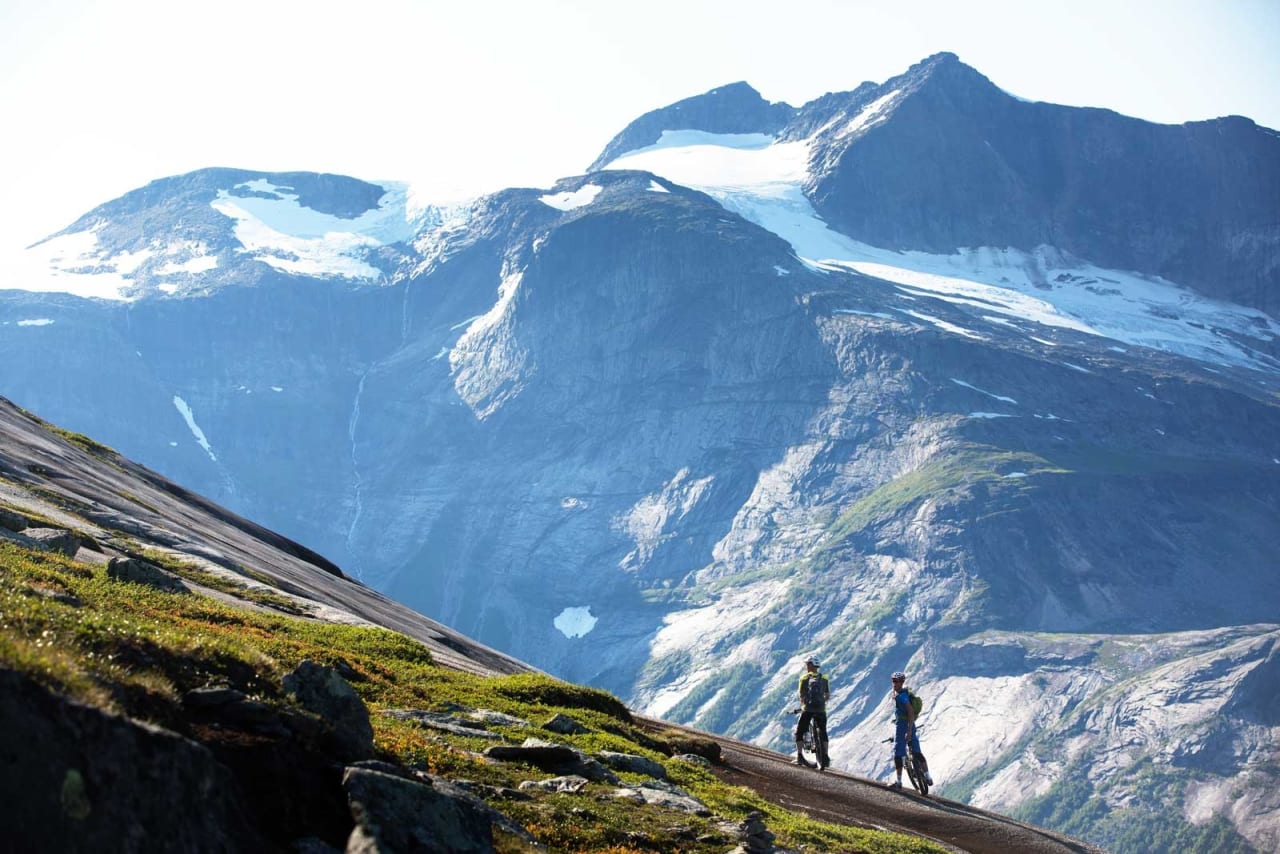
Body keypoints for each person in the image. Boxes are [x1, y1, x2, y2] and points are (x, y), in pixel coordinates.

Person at [887, 671, 933, 788]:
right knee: (916, 751)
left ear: (902, 682)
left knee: (898, 752)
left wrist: (907, 730)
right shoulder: (904, 692)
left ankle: (898, 781)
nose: (895, 683)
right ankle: (928, 776)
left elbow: (910, 712)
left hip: (903, 726)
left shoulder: (902, 696)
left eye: (897, 681)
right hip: (909, 724)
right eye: (893, 681)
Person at [794, 656, 831, 769]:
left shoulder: (804, 678)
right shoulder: (824, 678)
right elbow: (827, 695)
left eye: (807, 664)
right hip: (821, 709)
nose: (806, 666)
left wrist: (804, 706)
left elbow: (801, 695)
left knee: (799, 731)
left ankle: (800, 756)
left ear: (810, 665)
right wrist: (821, 703)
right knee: (823, 732)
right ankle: (825, 755)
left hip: (808, 709)